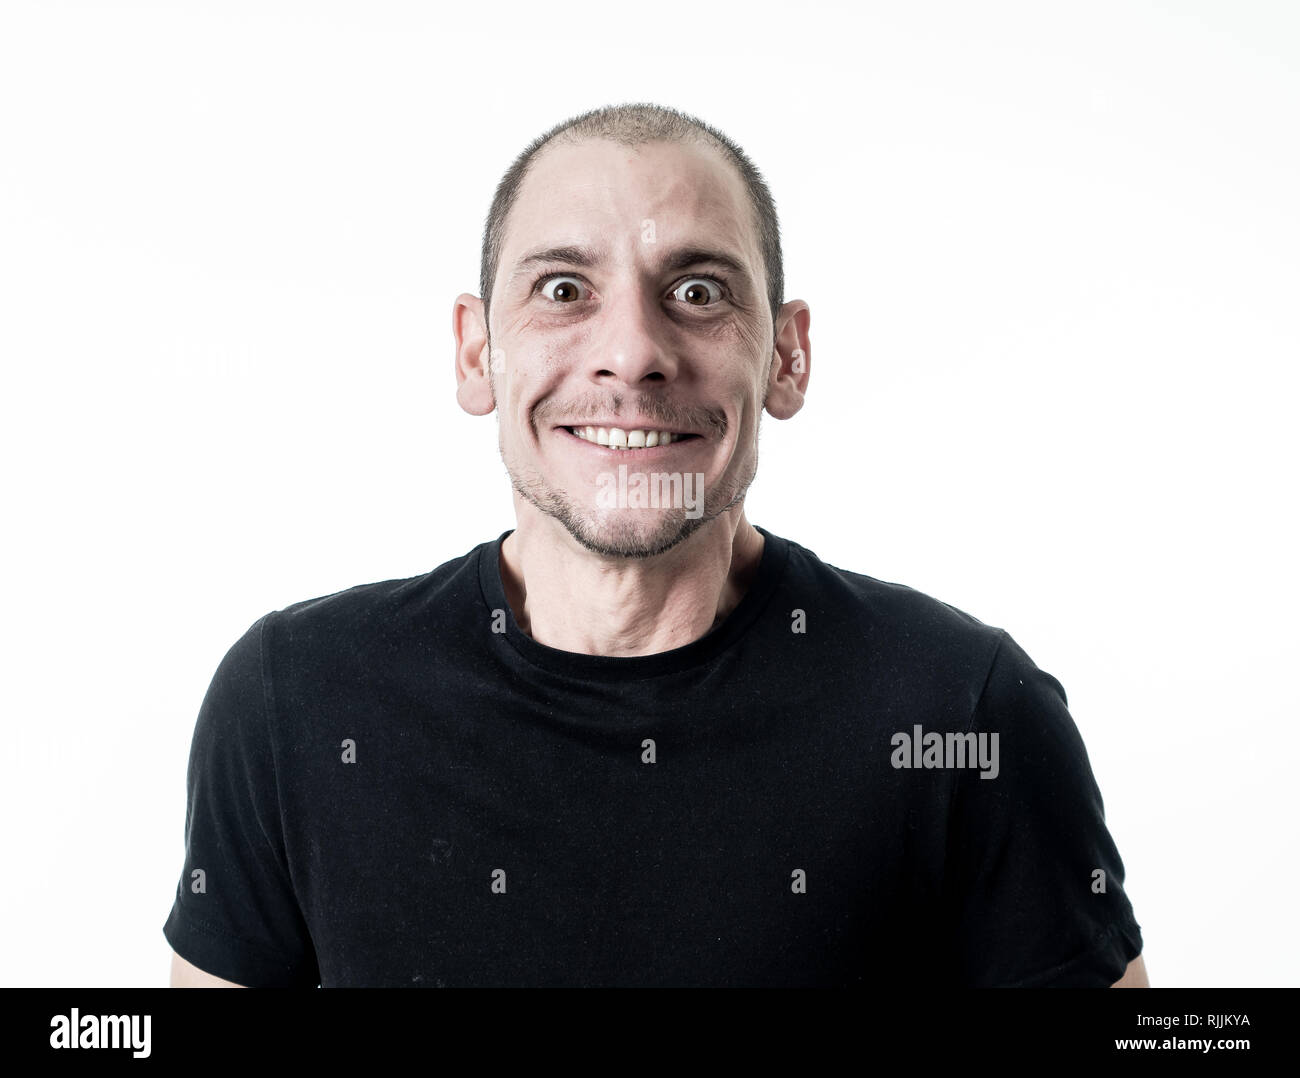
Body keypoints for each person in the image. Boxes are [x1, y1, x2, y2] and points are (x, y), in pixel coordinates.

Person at [165, 102, 1147, 988]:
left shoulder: (961, 706)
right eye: (561, 289)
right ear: (476, 353)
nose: (631, 350)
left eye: (697, 290)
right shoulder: (294, 698)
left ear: (785, 355)